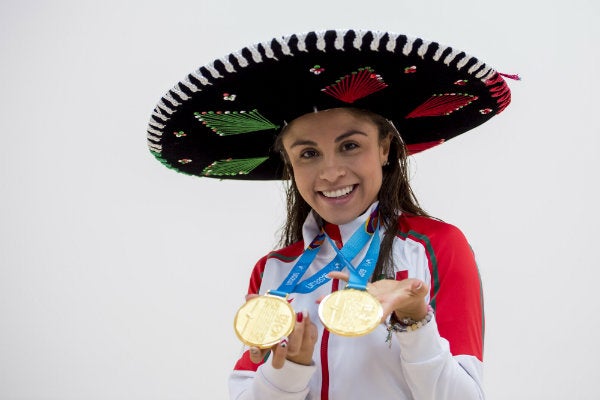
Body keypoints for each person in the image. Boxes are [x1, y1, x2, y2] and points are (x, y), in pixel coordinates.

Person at [146, 29, 514, 399]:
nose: (331, 172)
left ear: (385, 148)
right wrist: (289, 369)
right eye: (308, 154)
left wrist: (415, 321)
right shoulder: (273, 270)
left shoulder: (438, 245)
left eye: (350, 145)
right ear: (288, 163)